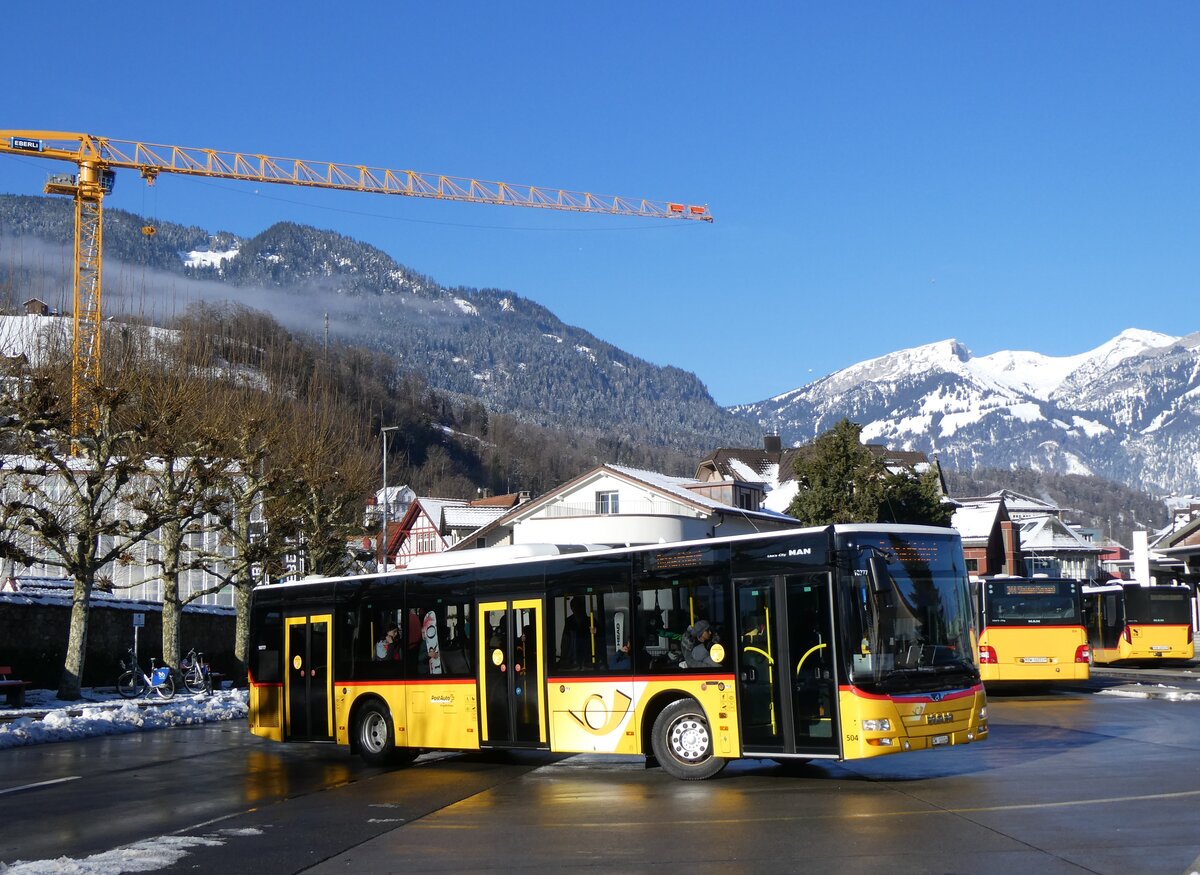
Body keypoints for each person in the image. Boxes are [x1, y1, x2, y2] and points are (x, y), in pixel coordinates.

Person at [558, 596, 592, 670]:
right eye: (574, 607)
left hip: (587, 656)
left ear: (582, 607)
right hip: (573, 657)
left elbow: (598, 639)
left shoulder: (590, 621)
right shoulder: (569, 621)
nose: (576, 609)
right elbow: (565, 640)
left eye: (578, 606)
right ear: (572, 608)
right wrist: (564, 657)